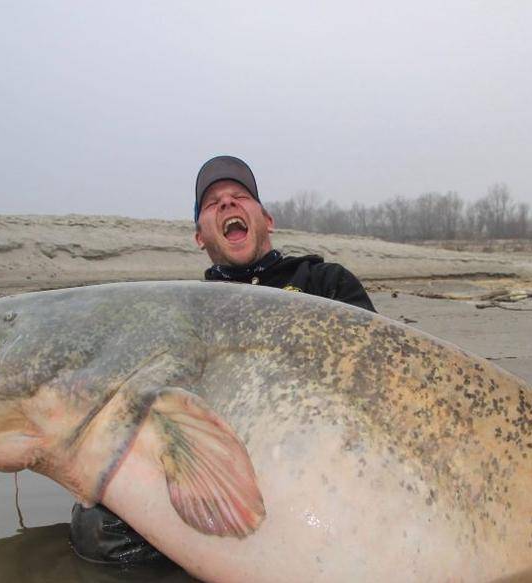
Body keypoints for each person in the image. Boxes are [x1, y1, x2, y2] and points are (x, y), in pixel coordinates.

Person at [69, 155, 375, 564]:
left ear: (266, 219)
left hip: (323, 457)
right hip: (219, 468)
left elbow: (376, 376)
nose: (228, 204)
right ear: (199, 236)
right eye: (213, 203)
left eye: (239, 196)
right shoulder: (184, 313)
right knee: (97, 530)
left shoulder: (325, 281)